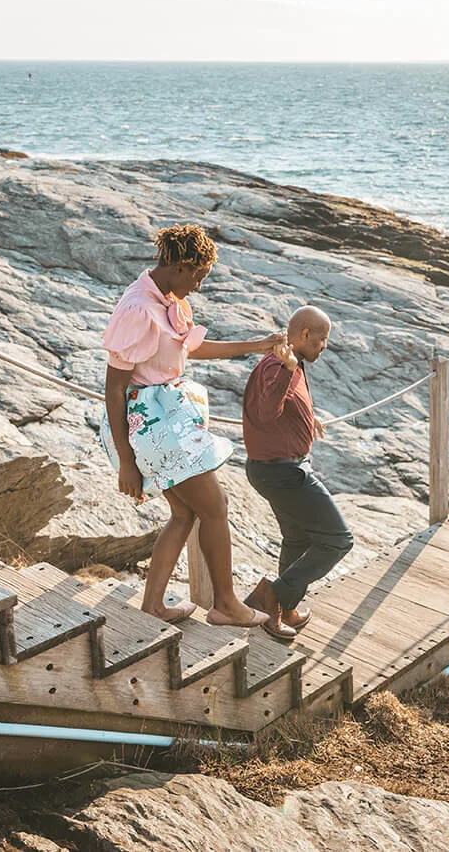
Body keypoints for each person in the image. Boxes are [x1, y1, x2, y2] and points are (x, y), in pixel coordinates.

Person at [100, 224, 285, 627]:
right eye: (197, 276)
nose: (199, 287)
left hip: (167, 418)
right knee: (215, 507)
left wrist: (257, 344)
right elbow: (114, 389)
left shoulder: (168, 299)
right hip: (149, 425)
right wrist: (126, 461)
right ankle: (226, 605)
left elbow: (192, 348)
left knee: (185, 514)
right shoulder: (137, 309)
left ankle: (154, 605)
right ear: (176, 265)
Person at [241, 305, 353, 641]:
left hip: (275, 468)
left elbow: (284, 405)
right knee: (338, 540)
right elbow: (266, 411)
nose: (325, 345)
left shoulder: (291, 363)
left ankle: (286, 608)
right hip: (283, 473)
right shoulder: (281, 365)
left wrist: (306, 417)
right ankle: (272, 596)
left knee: (298, 539)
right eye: (322, 338)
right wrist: (289, 371)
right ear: (304, 335)